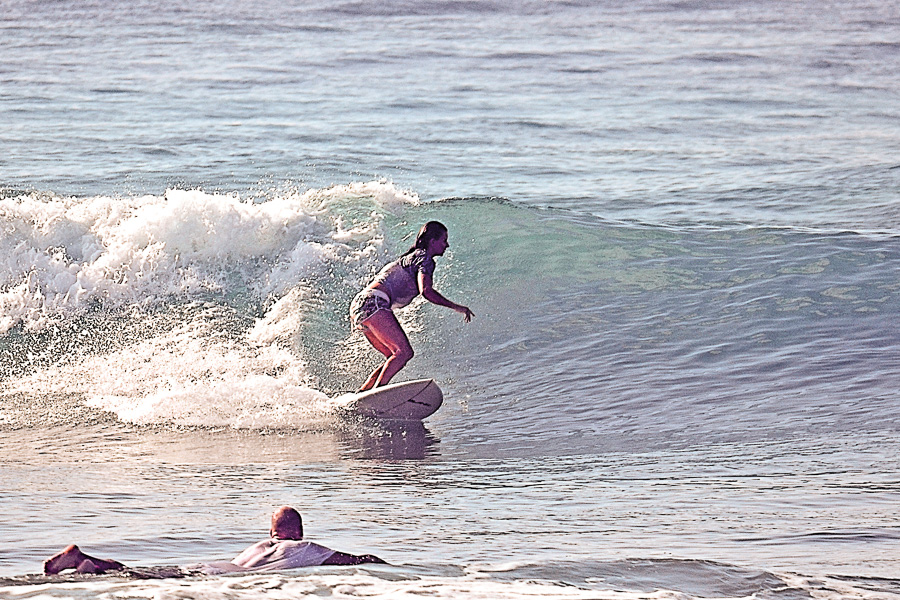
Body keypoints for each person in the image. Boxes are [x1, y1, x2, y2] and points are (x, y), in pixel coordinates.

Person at [42, 506, 385, 575]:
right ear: (299, 532)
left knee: (143, 573)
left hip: (216, 565)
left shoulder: (258, 547)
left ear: (272, 533)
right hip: (223, 577)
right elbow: (351, 559)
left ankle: (88, 563)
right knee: (142, 577)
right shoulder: (303, 549)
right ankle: (87, 563)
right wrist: (378, 562)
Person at [350, 221, 474, 391]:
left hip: (359, 305)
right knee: (404, 353)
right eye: (444, 240)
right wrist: (457, 307)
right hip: (374, 303)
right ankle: (379, 393)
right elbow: (426, 291)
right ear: (432, 241)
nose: (447, 245)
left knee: (393, 357)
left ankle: (363, 393)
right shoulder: (425, 258)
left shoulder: (411, 257)